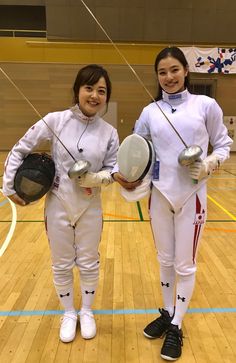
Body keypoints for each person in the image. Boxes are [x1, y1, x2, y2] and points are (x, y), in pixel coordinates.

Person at [113, 47, 233, 360]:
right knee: (164, 260)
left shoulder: (206, 105)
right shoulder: (150, 111)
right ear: (157, 76)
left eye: (174, 70)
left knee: (185, 264)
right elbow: (136, 149)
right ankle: (168, 312)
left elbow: (223, 145)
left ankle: (177, 326)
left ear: (185, 71)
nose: (169, 77)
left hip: (191, 197)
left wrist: (208, 164)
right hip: (159, 196)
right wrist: (126, 175)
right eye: (163, 72)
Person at [3, 64, 119, 343]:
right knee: (62, 263)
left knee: (90, 262)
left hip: (91, 206)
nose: (94, 95)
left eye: (101, 91)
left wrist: (95, 178)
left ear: (106, 96)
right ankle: (69, 313)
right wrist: (9, 186)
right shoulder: (56, 120)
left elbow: (115, 169)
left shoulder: (109, 132)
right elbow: (20, 147)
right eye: (89, 88)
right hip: (58, 203)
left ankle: (87, 311)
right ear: (78, 90)